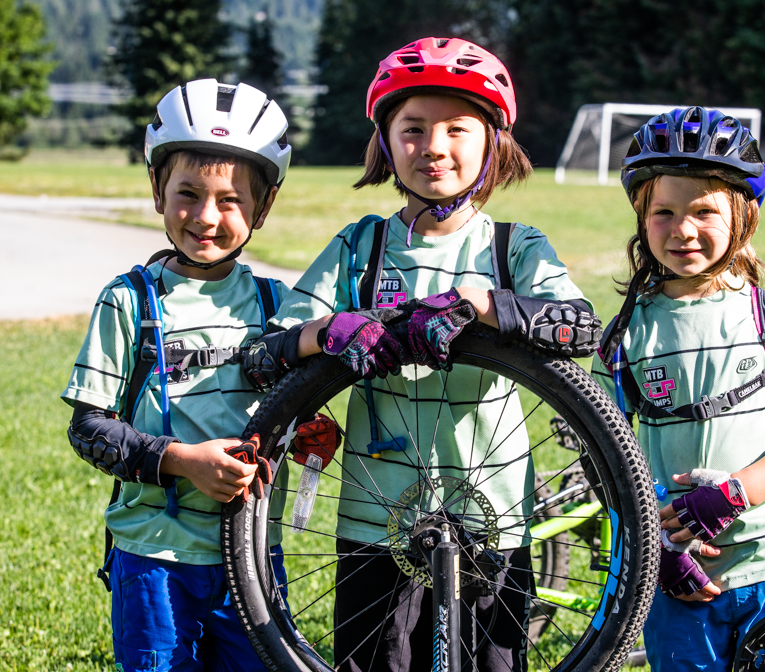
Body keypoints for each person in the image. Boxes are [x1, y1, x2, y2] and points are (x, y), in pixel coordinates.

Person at [247, 37, 601, 672]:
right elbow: (263, 356)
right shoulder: (362, 247)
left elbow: (580, 328)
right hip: (373, 518)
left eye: (457, 129)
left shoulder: (513, 248)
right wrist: (326, 333)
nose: (434, 147)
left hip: (491, 513)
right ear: (384, 141)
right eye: (412, 129)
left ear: (494, 141)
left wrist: (486, 306)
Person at [592, 107, 765, 671]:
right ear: (642, 218)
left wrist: (734, 494)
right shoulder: (626, 334)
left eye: (704, 211)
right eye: (664, 212)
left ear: (744, 220)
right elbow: (603, 456)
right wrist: (653, 547)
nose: (682, 230)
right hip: (679, 570)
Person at [61, 78, 296, 672]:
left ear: (262, 207)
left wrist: (309, 434)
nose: (206, 216)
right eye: (187, 193)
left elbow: (295, 409)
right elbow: (90, 429)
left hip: (251, 555)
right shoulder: (128, 301)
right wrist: (185, 461)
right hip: (154, 560)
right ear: (157, 189)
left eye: (231, 200)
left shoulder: (279, 304)